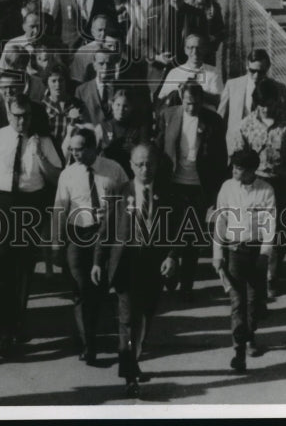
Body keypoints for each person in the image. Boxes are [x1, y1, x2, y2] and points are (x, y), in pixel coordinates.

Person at [0, 91, 62, 356]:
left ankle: (16, 323)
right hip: (2, 202)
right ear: (8, 113)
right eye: (17, 116)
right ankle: (3, 325)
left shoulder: (43, 140)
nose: (22, 122)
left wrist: (39, 156)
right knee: (4, 264)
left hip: (31, 204)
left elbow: (56, 177)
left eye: (26, 116)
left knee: (25, 266)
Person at [92, 142, 178, 397]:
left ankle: (134, 360)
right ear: (131, 166)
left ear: (157, 164)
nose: (145, 169)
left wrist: (172, 256)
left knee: (145, 318)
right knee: (128, 321)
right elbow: (105, 232)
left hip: (153, 264)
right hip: (126, 264)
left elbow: (180, 232)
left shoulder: (168, 194)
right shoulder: (121, 193)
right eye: (139, 164)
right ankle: (129, 374)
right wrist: (98, 261)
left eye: (150, 163)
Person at [53, 127, 125, 363]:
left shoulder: (113, 169)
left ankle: (101, 335)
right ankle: (88, 344)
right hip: (77, 234)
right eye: (72, 149)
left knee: (100, 289)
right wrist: (56, 243)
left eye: (81, 149)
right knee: (81, 289)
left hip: (104, 235)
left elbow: (128, 200)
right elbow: (60, 210)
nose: (75, 154)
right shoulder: (68, 174)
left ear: (94, 147)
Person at [231, 78, 286, 299]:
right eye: (261, 104)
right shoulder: (246, 125)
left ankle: (273, 277)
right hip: (255, 184)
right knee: (255, 232)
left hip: (280, 183)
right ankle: (257, 280)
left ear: (277, 101)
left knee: (278, 232)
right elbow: (238, 161)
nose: (266, 108)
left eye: (270, 103)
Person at [156, 80, 228, 297]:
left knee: (191, 238)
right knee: (169, 232)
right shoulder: (167, 116)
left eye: (196, 104)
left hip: (199, 186)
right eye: (188, 103)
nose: (191, 108)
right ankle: (170, 275)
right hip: (173, 184)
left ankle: (187, 285)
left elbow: (220, 158)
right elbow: (159, 150)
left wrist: (215, 192)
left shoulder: (213, 120)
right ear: (181, 97)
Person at [212, 147, 277, 372]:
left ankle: (250, 335)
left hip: (256, 254)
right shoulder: (227, 188)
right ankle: (239, 350)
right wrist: (217, 254)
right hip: (235, 253)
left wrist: (265, 254)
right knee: (237, 302)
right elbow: (220, 222)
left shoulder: (266, 191)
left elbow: (270, 225)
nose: (234, 171)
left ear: (251, 170)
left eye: (238, 168)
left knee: (254, 303)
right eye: (234, 166)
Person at [217, 49, 286, 152]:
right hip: (237, 148)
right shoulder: (232, 85)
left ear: (268, 68)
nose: (256, 76)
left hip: (266, 149)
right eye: (252, 71)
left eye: (261, 72)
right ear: (247, 66)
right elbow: (220, 117)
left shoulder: (279, 89)